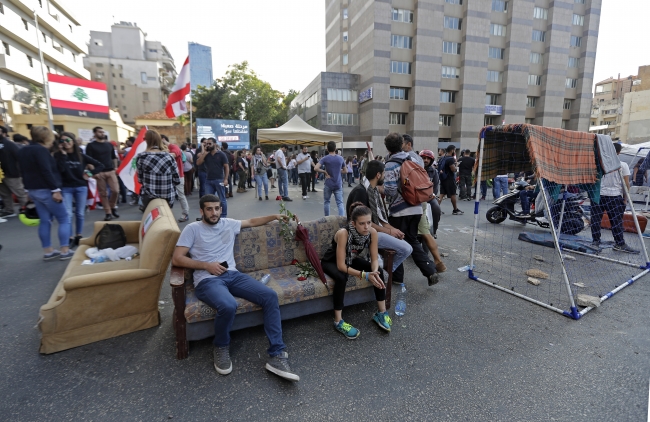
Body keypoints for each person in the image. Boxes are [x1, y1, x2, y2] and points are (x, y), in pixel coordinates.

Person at [171, 194, 300, 381]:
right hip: (208, 280)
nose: (214, 213)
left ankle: (277, 355)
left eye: (217, 208)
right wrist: (207, 265)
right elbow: (177, 258)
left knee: (270, 296)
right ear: (201, 211)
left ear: (221, 209)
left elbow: (252, 221)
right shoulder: (192, 229)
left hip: (233, 275)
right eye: (209, 209)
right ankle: (221, 346)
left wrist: (275, 216)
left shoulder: (228, 223)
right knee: (229, 305)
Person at [321, 203, 390, 338]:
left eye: (369, 222)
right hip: (332, 261)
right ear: (353, 223)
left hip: (351, 259)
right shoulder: (344, 233)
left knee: (380, 271)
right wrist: (365, 275)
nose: (366, 227)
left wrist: (374, 272)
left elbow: (374, 259)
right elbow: (341, 266)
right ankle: (338, 321)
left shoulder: (372, 232)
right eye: (362, 223)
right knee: (341, 277)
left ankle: (381, 313)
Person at [345, 160, 413, 286]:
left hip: (374, 231)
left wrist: (393, 230)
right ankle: (385, 274)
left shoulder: (373, 190)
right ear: (378, 175)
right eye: (384, 174)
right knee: (407, 249)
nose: (385, 177)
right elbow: (364, 224)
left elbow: (381, 219)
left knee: (404, 244)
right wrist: (389, 231)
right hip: (365, 234)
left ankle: (383, 273)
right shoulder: (361, 191)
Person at [383, 133, 438, 286]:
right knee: (412, 240)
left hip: (400, 211)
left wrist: (376, 188)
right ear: (402, 144)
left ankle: (398, 277)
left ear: (387, 147)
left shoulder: (390, 164)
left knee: (395, 243)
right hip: (417, 207)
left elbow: (391, 191)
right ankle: (430, 270)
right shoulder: (413, 159)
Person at [18, 126, 73, 260]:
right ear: (46, 137)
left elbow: (22, 171)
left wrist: (27, 190)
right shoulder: (41, 151)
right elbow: (46, 171)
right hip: (47, 189)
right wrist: (55, 190)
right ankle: (65, 250)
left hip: (33, 189)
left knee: (45, 220)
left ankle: (48, 251)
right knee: (64, 218)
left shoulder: (23, 150)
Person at [54, 132, 104, 248]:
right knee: (68, 214)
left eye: (68, 140)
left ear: (73, 141)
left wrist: (90, 173)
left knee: (80, 213)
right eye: (62, 141)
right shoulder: (58, 155)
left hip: (81, 187)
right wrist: (63, 155)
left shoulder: (80, 155)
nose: (65, 143)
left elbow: (100, 165)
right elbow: (59, 170)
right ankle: (70, 237)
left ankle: (78, 235)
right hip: (66, 187)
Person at [590, 143, 639, 254]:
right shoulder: (622, 165)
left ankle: (595, 242)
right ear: (619, 152)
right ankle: (619, 243)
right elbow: (626, 184)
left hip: (599, 195)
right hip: (614, 196)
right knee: (616, 221)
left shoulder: (599, 163)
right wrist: (625, 199)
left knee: (596, 220)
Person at [136, 130, 180, 210]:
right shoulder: (169, 157)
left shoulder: (141, 157)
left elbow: (140, 180)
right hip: (167, 197)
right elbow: (177, 180)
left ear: (147, 141)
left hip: (149, 197)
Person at [85, 126, 120, 221]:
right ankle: (108, 212)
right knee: (103, 193)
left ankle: (112, 207)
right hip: (99, 172)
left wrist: (116, 168)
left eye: (103, 132)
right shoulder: (91, 145)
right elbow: (88, 160)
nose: (102, 133)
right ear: (95, 133)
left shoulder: (109, 145)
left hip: (110, 170)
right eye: (100, 132)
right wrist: (94, 172)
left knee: (115, 190)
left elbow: (114, 157)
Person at [0, 125, 29, 217]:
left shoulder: (9, 144)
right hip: (1, 175)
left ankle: (27, 208)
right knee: (4, 194)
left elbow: (20, 156)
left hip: (12, 173)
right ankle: (9, 210)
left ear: (3, 133)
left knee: (19, 192)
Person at [196, 138, 229, 217]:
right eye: (206, 144)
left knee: (222, 199)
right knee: (207, 200)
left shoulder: (221, 154)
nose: (208, 145)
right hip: (208, 180)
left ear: (214, 144)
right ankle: (207, 216)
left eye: (210, 143)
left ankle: (223, 216)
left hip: (219, 179)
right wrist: (204, 153)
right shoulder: (206, 155)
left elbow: (226, 167)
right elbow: (198, 163)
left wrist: (226, 179)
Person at [161, 135, 190, 222]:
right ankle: (167, 215)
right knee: (166, 196)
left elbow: (173, 154)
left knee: (181, 195)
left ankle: (185, 213)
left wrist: (161, 152)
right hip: (167, 176)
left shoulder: (174, 146)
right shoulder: (161, 149)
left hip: (178, 175)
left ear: (163, 139)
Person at [314, 141, 347, 216]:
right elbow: (345, 171)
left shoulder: (325, 158)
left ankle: (327, 219)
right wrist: (338, 170)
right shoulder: (340, 158)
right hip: (338, 183)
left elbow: (316, 168)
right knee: (340, 203)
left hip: (329, 183)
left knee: (327, 201)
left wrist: (324, 172)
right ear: (335, 148)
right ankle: (341, 219)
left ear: (327, 149)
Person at [420, 150, 442, 238]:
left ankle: (434, 230)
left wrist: (431, 196)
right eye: (423, 158)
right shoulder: (416, 170)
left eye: (428, 159)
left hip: (430, 197)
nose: (425, 160)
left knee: (436, 209)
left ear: (431, 160)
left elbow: (435, 187)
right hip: (416, 198)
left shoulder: (434, 172)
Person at [438, 145, 463, 215]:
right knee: (453, 194)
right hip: (449, 179)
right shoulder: (450, 159)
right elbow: (452, 169)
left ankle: (436, 209)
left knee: (442, 194)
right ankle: (455, 210)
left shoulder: (442, 158)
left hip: (443, 178)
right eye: (454, 150)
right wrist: (456, 167)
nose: (454, 152)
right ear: (452, 150)